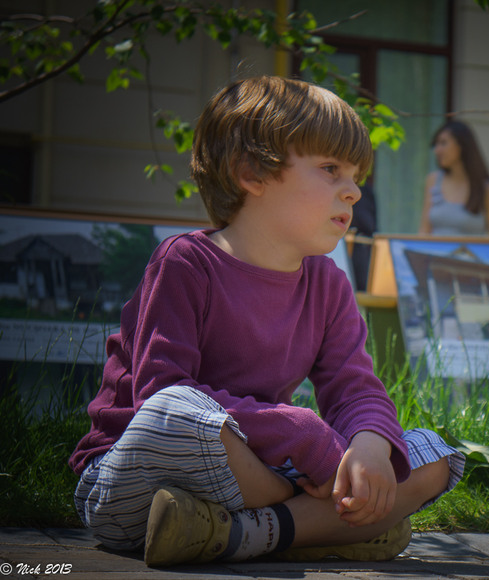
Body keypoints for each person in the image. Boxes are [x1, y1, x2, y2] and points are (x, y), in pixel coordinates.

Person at [68, 76, 465, 568]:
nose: (353, 192)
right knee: (177, 410)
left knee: (433, 456)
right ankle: (331, 524)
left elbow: (355, 389)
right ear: (252, 173)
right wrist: (304, 434)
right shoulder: (185, 263)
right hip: (137, 482)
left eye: (355, 176)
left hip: (260, 475)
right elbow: (159, 392)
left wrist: (369, 446)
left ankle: (237, 534)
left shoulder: (328, 284)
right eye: (331, 169)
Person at [418, 120, 489, 236]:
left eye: (443, 143)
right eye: (436, 145)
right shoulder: (433, 181)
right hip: (433, 249)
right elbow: (424, 232)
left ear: (462, 145)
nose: (437, 150)